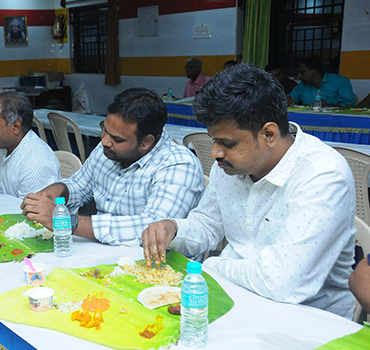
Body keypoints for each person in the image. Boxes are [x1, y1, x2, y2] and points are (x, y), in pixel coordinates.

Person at [141, 64, 356, 318]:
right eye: (214, 140)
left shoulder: (322, 176)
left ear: (269, 134)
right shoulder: (232, 165)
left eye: (227, 143)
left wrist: (210, 265)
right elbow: (208, 224)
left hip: (306, 320)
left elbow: (281, 284)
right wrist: (174, 229)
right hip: (233, 297)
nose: (215, 153)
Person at [21, 88, 204, 246]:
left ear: (146, 142)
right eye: (105, 129)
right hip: (103, 251)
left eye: (117, 139)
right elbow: (79, 185)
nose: (105, 141)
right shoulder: (107, 149)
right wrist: (58, 191)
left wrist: (66, 222)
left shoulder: (178, 164)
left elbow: (151, 228)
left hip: (154, 266)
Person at [287, 56, 355, 107]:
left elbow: (350, 105)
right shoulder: (302, 86)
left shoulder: (340, 81)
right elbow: (290, 99)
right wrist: (288, 100)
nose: (299, 75)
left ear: (313, 71)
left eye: (302, 72)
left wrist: (329, 106)